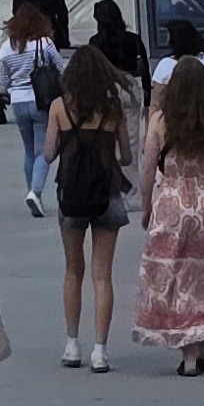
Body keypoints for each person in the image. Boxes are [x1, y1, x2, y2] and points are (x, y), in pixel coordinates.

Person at [130, 43, 204, 373]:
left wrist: (147, 206)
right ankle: (202, 348)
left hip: (172, 204)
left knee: (175, 276)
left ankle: (188, 355)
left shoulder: (160, 121)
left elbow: (149, 167)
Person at [46, 45, 131, 370]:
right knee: (102, 276)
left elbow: (48, 154)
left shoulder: (59, 107)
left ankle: (71, 345)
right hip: (107, 194)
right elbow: (125, 156)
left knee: (72, 270)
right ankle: (100, 350)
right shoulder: (112, 109)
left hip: (71, 195)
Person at [0, 6, 61, 218]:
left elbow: (4, 81)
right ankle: (36, 191)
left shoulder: (6, 48)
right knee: (43, 149)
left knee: (28, 149)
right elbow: (61, 67)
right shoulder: (44, 43)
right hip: (41, 100)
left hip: (18, 102)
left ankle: (32, 192)